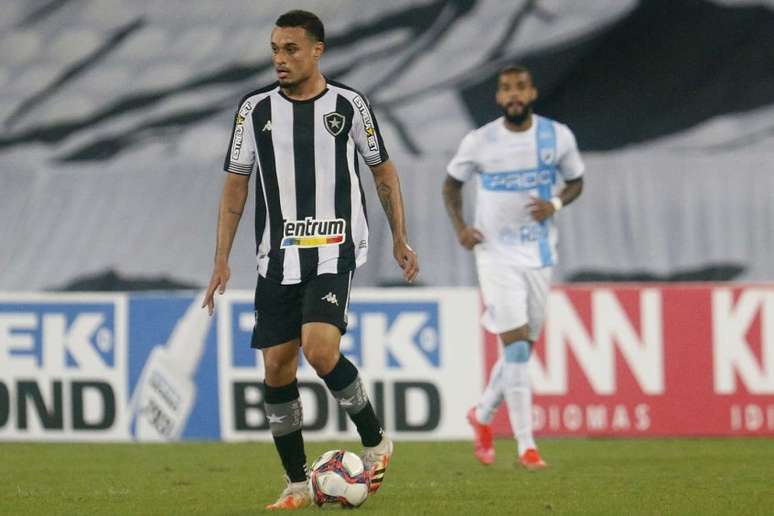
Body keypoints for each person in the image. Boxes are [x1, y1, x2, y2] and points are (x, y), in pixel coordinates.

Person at [202, 10, 419, 509]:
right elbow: (236, 185)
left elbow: (384, 173)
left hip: (333, 249)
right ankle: (298, 483)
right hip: (276, 257)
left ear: (317, 50)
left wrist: (400, 238)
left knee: (319, 350)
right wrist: (220, 261)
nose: (280, 58)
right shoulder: (254, 110)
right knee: (277, 369)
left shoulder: (350, 104)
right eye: (275, 49)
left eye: (291, 49)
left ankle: (376, 440)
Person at [442, 65, 584, 470]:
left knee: (523, 349)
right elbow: (450, 185)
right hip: (494, 254)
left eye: (521, 87)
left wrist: (554, 203)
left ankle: (482, 414)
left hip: (539, 253)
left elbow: (576, 181)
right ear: (499, 98)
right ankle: (527, 446)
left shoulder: (557, 136)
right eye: (507, 89)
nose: (514, 94)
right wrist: (461, 228)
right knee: (517, 347)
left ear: (533, 93)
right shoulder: (480, 141)